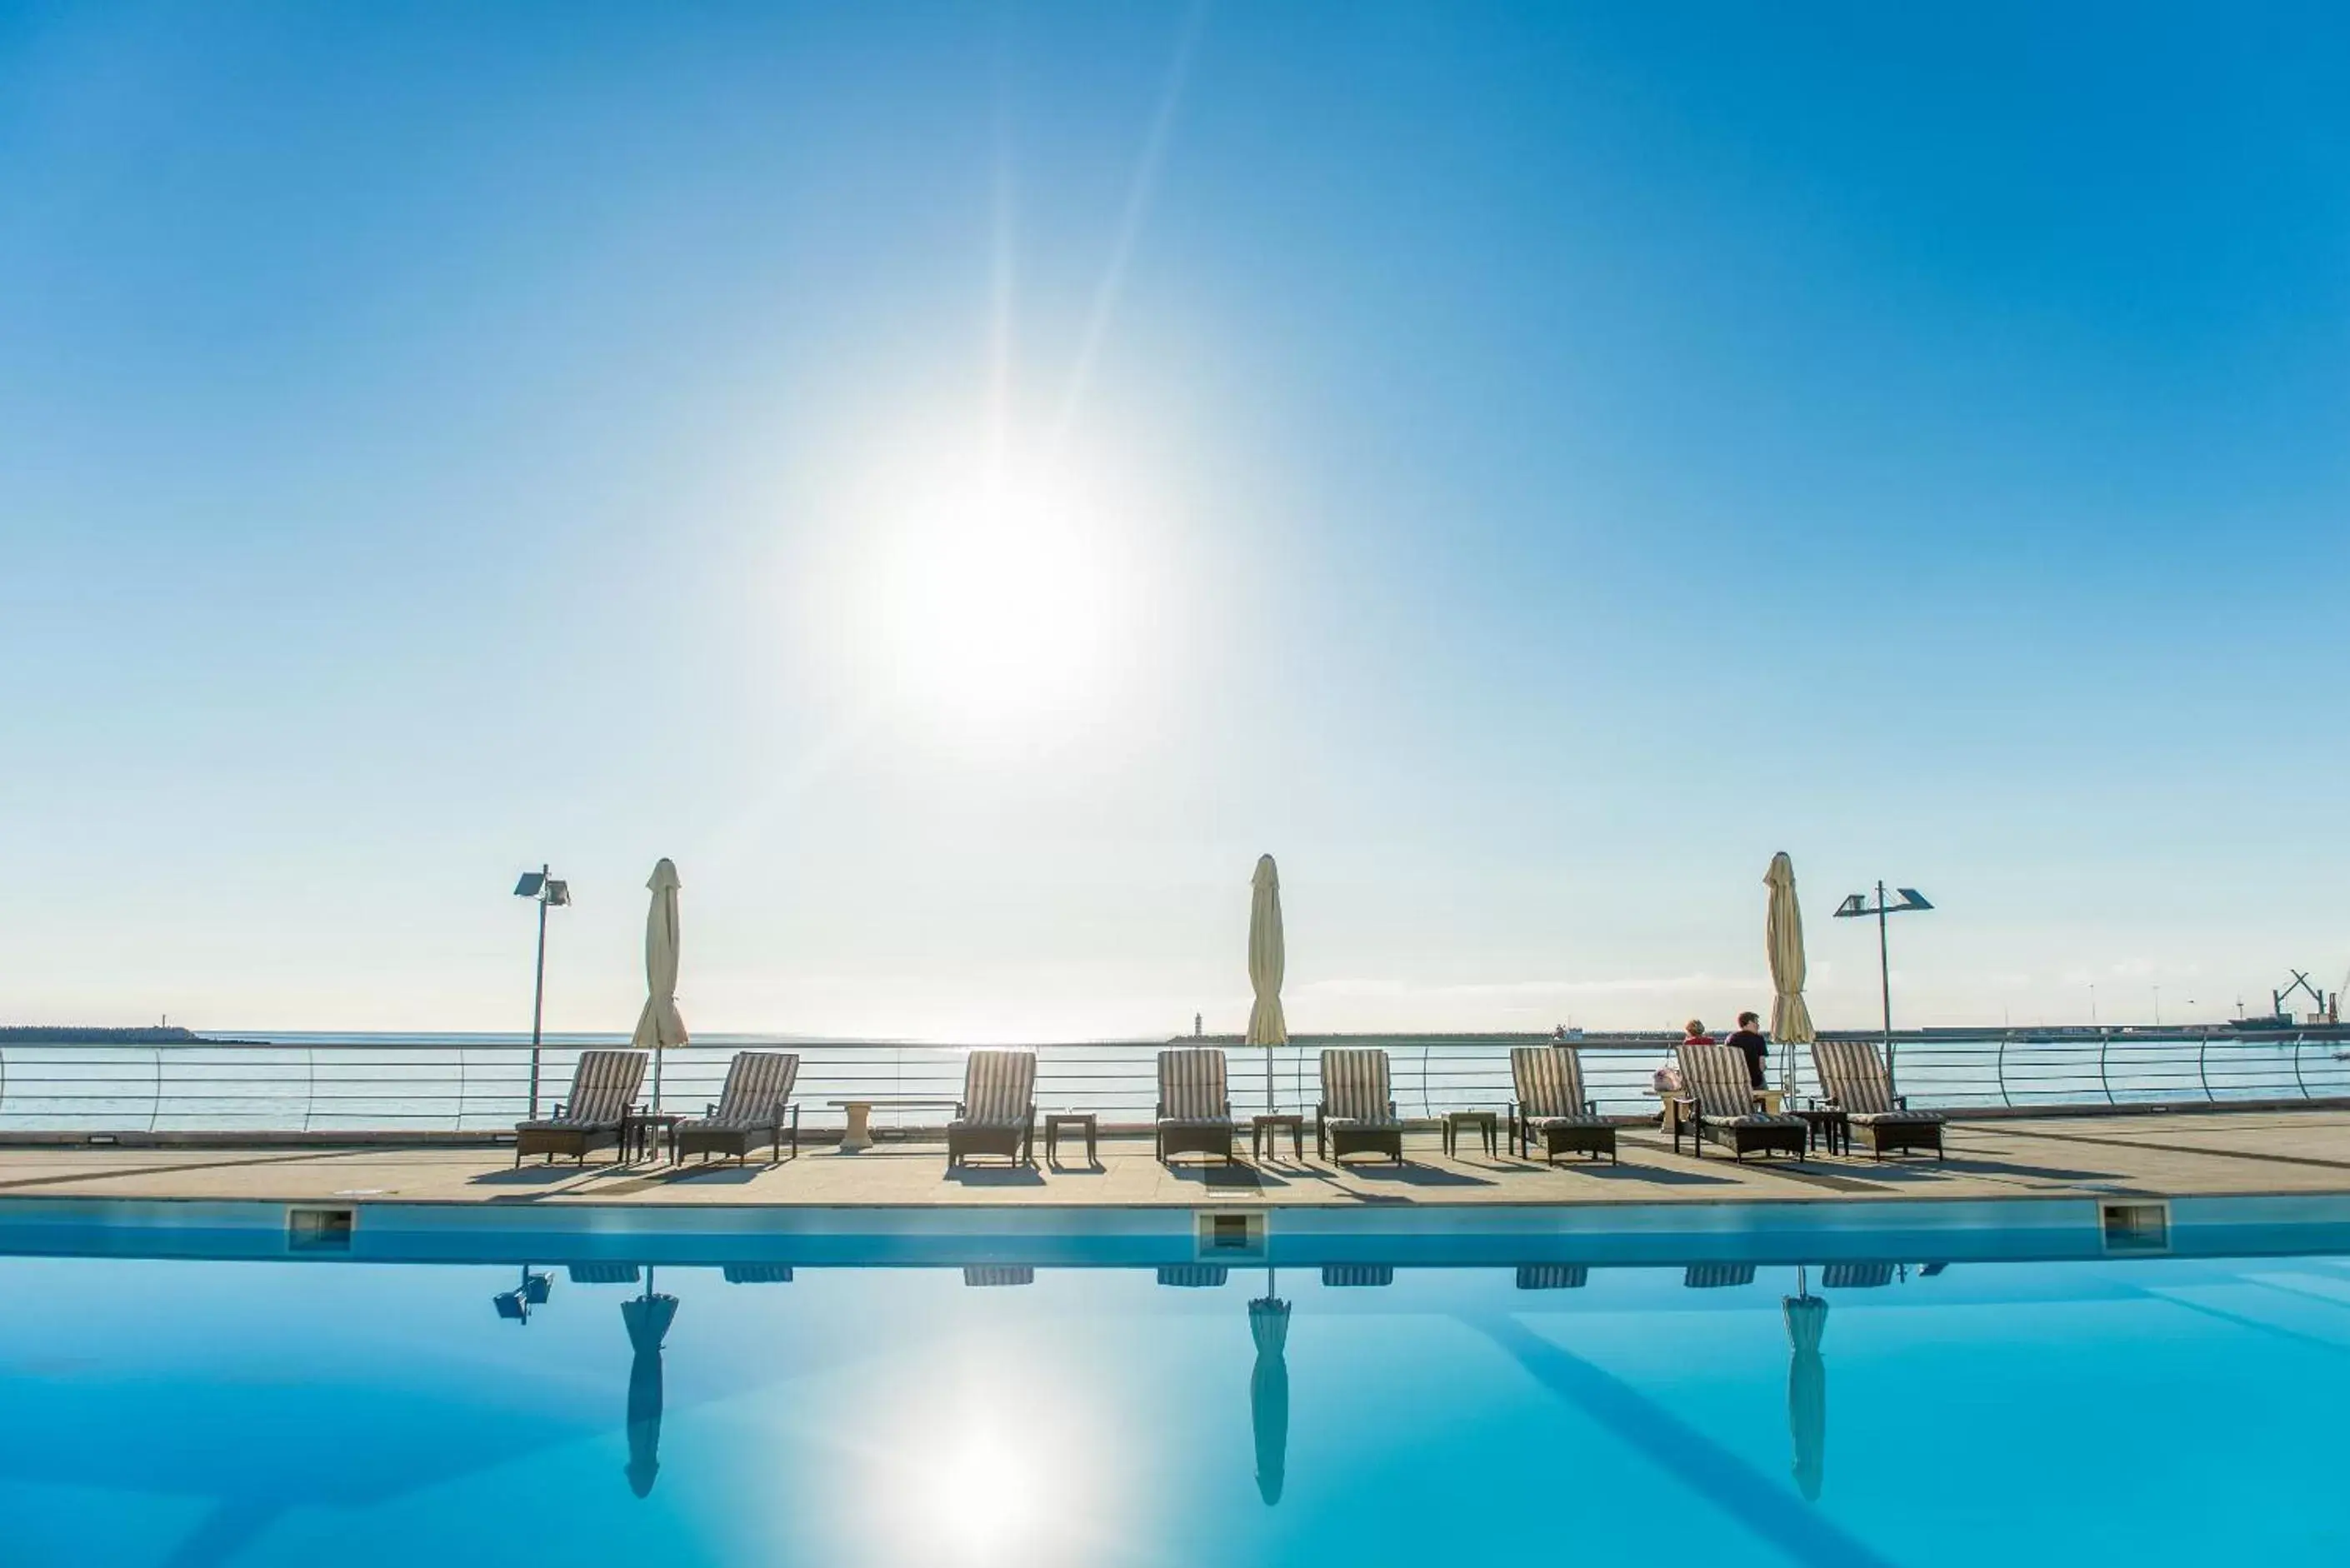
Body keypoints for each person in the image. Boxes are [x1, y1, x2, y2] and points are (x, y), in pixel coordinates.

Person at [1725, 1011, 1770, 1089]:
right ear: (1749, 1022)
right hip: (1755, 1084)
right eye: (1756, 1022)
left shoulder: (1730, 1039)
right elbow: (1762, 1066)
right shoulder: (1758, 1039)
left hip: (1735, 1084)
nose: (1758, 1026)